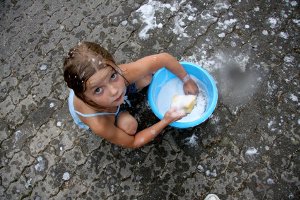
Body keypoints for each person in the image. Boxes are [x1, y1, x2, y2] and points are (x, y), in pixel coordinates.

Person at [63, 41, 199, 148]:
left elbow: (163, 58)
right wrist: (166, 120)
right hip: (106, 113)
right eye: (98, 90)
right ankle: (121, 112)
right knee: (130, 127)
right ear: (84, 97)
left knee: (147, 78)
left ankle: (119, 100)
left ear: (115, 67)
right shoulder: (99, 123)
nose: (114, 91)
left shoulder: (118, 72)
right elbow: (133, 142)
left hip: (108, 100)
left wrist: (186, 79)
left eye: (113, 76)